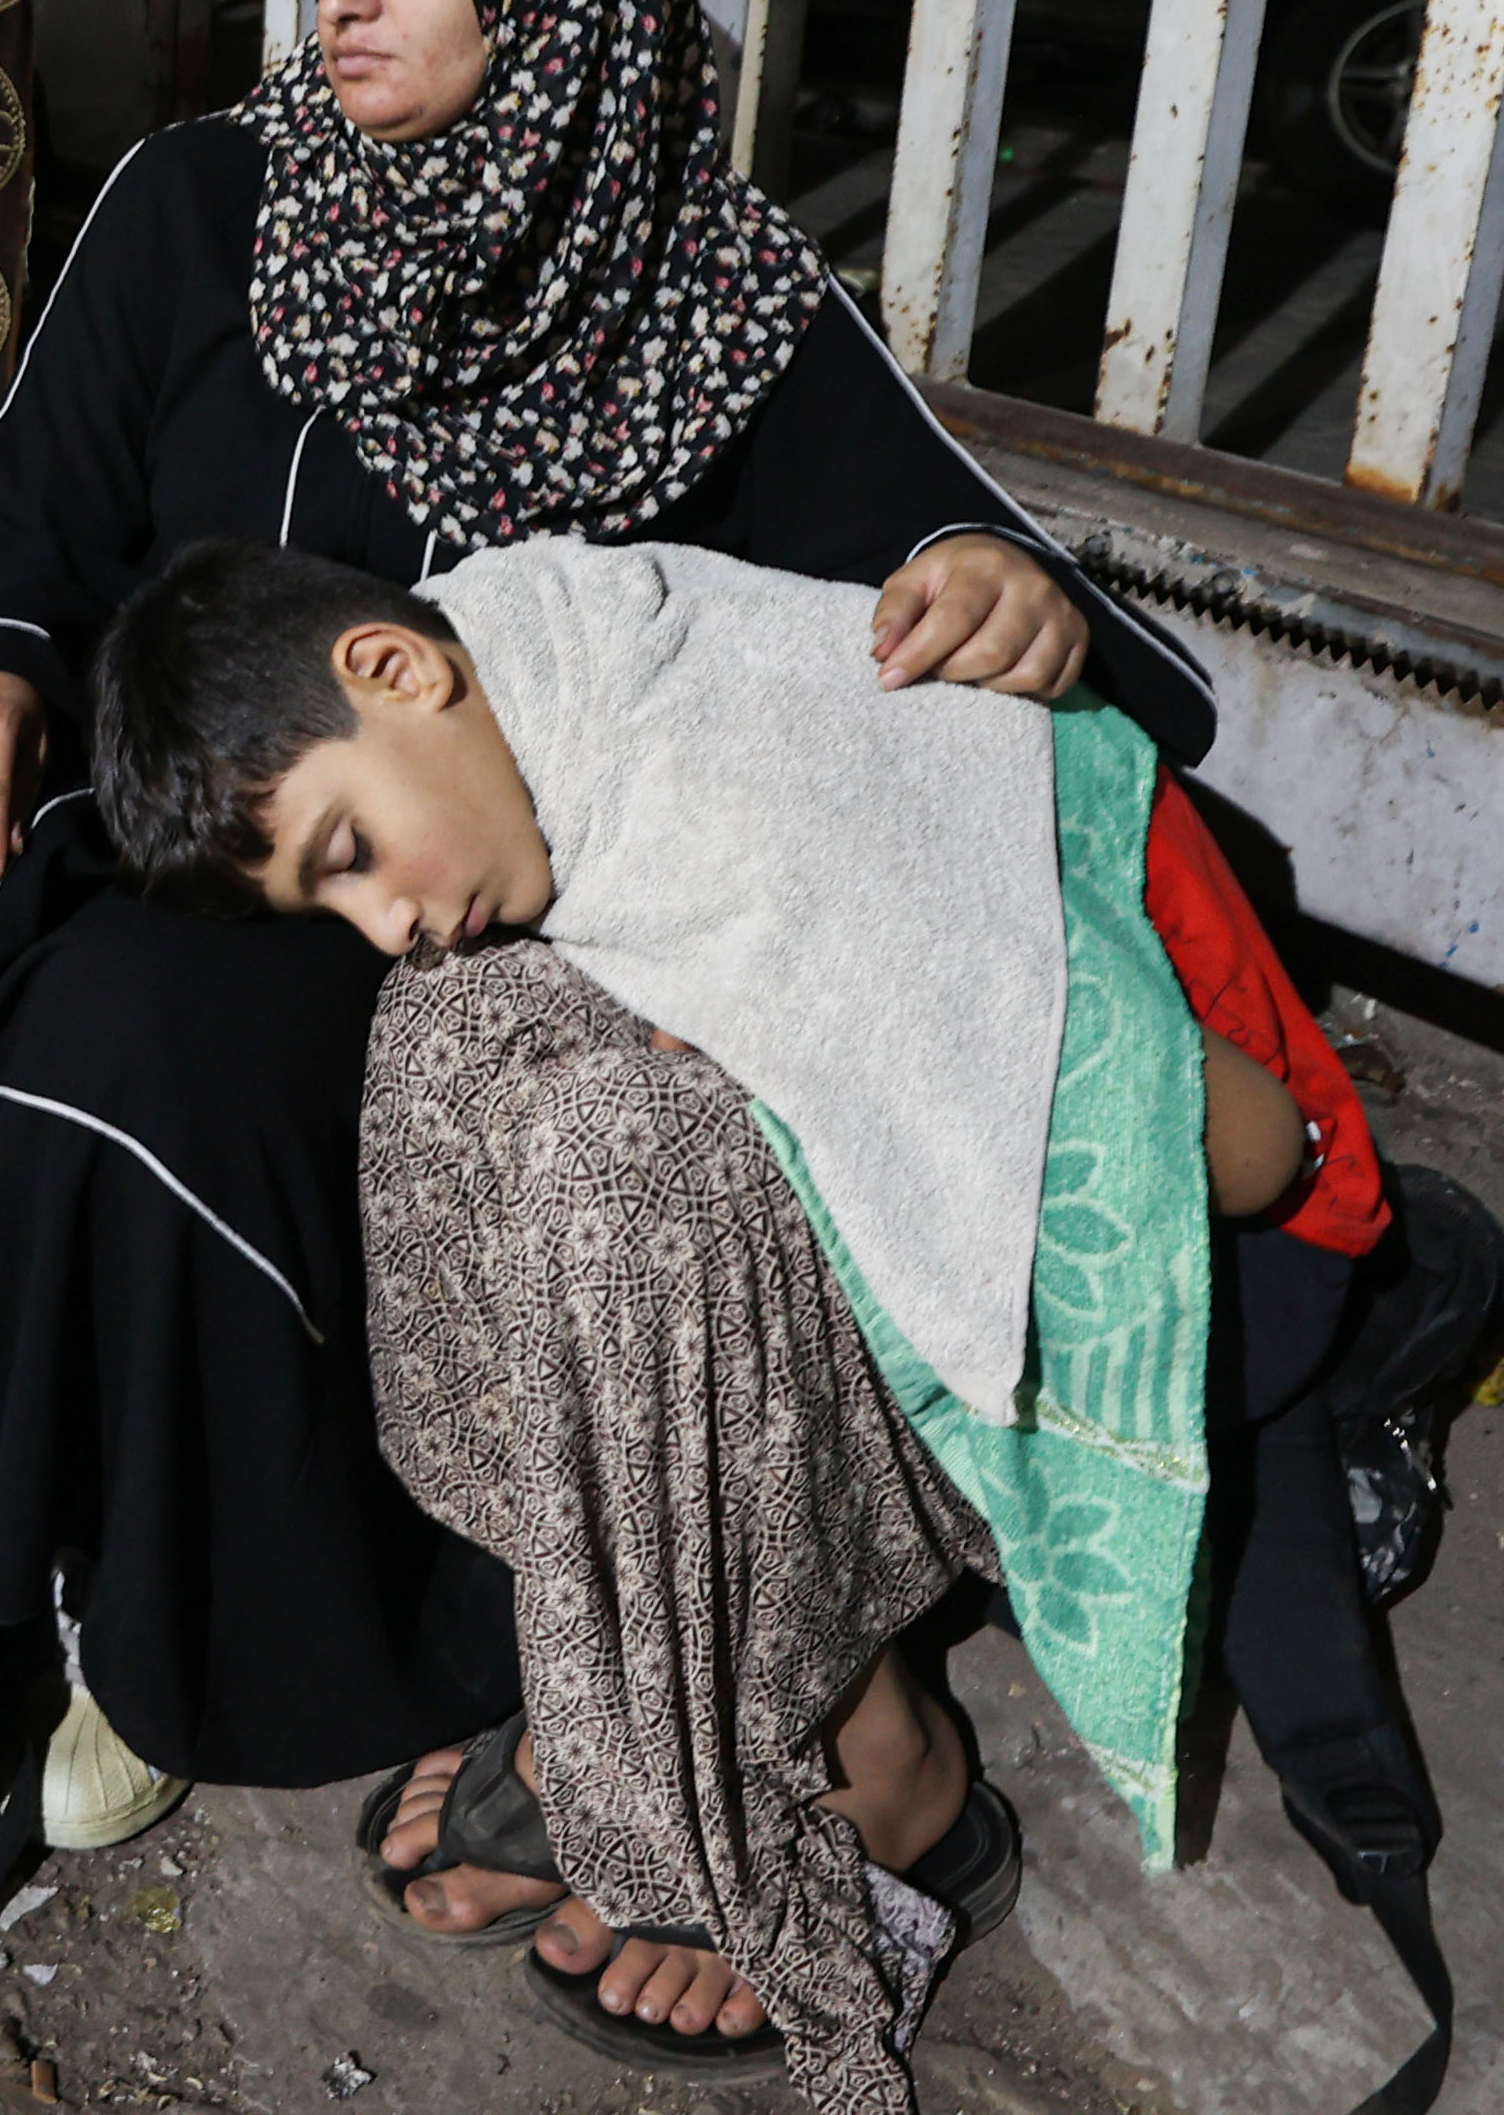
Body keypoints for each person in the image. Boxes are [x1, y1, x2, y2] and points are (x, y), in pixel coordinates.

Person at [0, 0, 1219, 2064]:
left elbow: (944, 601)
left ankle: (202, 1615)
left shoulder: (699, 297)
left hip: (444, 896)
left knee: (143, 1043)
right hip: (180, 784)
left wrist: (998, 590)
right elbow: (31, 507)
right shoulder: (199, 201)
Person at [87, 533, 1386, 2098]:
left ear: (396, 666)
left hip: (1235, 1230)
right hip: (1040, 1177)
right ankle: (637, 1697)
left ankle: (870, 1763)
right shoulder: (545, 658)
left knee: (625, 1163)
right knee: (457, 1027)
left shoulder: (741, 779)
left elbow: (1242, 1151)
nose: (383, 919)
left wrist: (766, 1076)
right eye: (325, 899)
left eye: (350, 851)